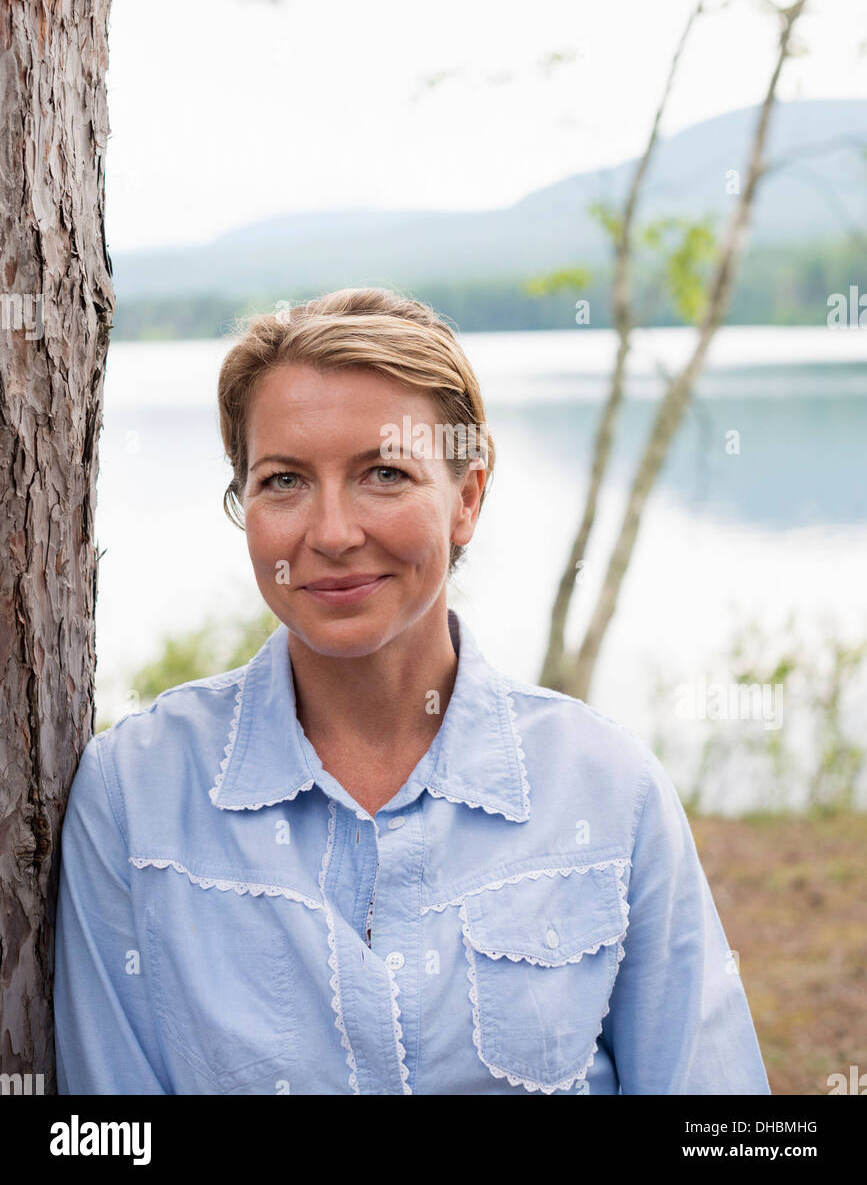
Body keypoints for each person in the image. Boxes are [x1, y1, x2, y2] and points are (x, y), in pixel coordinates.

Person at [54, 287, 770, 1095]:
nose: (330, 532)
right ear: (244, 502)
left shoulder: (608, 791)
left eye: (384, 474)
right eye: (283, 480)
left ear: (466, 499)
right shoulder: (134, 796)